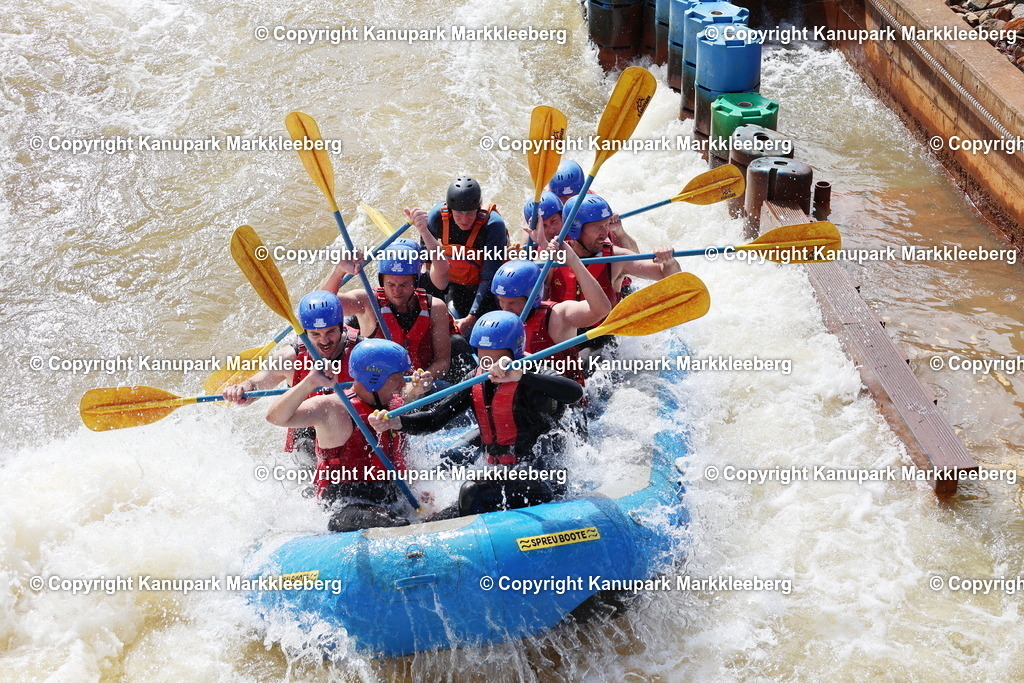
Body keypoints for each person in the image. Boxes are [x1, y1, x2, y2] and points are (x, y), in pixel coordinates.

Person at [369, 311, 584, 517]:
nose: (489, 367)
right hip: (504, 473)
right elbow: (434, 418)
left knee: (472, 491)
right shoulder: (476, 377)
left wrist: (522, 376)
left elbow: (574, 393)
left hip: (544, 475)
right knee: (458, 494)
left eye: (496, 359)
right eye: (484, 359)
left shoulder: (532, 371)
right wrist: (397, 422)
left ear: (513, 353)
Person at [265, 339, 431, 532]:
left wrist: (420, 386)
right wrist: (309, 382)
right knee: (393, 523)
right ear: (374, 379)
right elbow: (274, 417)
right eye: (398, 377)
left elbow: (401, 455)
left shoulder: (393, 404)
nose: (404, 383)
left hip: (389, 495)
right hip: (343, 505)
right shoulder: (333, 408)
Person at [223, 291, 362, 460]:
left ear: (341, 326)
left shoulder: (363, 353)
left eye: (330, 332)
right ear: (304, 332)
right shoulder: (290, 357)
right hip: (306, 438)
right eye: (315, 334)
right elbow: (255, 385)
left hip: (351, 432)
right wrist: (241, 390)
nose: (324, 341)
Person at [320, 241, 461, 382]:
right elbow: (321, 307)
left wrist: (422, 380)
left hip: (419, 385)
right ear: (382, 281)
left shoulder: (435, 308)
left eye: (404, 284)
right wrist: (339, 270)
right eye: (390, 284)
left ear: (416, 281)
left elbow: (442, 361)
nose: (396, 291)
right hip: (377, 389)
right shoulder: (367, 302)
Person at [491, 257, 610, 385]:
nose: (505, 309)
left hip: (564, 396)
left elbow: (601, 309)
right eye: (501, 301)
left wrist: (573, 261)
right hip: (525, 398)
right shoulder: (496, 321)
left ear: (534, 296)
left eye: (512, 303)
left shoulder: (558, 314)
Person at [549, 194, 680, 309]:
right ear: (575, 230)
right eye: (597, 228)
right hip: (562, 335)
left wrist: (669, 261)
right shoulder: (552, 254)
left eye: (606, 225)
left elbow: (670, 279)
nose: (605, 233)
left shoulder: (616, 258)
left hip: (605, 335)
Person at [419, 176, 508, 335]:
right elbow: (426, 259)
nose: (464, 219)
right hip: (453, 283)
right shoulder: (437, 217)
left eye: (470, 213)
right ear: (450, 209)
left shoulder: (493, 226)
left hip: (484, 286)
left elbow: (490, 275)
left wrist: (472, 316)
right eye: (459, 213)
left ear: (478, 208)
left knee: (485, 329)